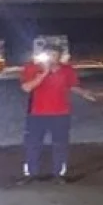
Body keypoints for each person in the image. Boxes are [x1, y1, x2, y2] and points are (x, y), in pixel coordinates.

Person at [18, 45, 84, 182]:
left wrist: (86, 93)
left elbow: (73, 86)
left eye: (55, 55)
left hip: (61, 113)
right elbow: (26, 87)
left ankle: (58, 174)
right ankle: (31, 173)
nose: (52, 58)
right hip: (37, 114)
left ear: (60, 57)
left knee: (60, 144)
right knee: (33, 144)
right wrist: (44, 73)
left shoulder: (67, 70)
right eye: (49, 55)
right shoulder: (32, 68)